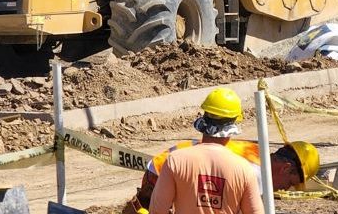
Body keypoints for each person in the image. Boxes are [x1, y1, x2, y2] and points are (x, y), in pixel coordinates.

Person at [128, 88, 320, 213]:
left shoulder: (253, 154)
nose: (287, 188)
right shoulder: (248, 169)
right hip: (158, 172)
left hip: (170, 169)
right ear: (286, 168)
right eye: (291, 182)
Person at [148, 87, 263, 214]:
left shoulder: (175, 160)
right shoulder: (244, 169)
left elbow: (157, 211)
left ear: (203, 120)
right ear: (233, 125)